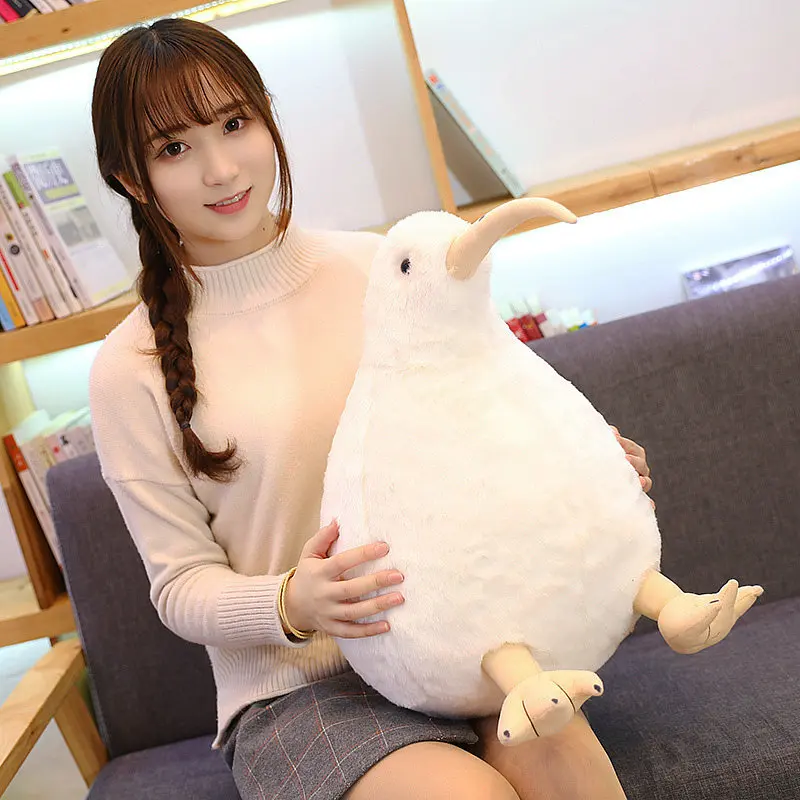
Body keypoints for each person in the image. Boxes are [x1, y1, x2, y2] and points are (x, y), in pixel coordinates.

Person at [88, 17, 654, 800]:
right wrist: (293, 599)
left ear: (266, 116)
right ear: (130, 177)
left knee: (575, 782)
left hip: (471, 635)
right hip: (300, 691)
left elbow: (499, 410)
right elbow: (180, 585)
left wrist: (587, 462)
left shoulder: (383, 269)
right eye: (174, 148)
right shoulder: (128, 370)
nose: (221, 169)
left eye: (234, 124)